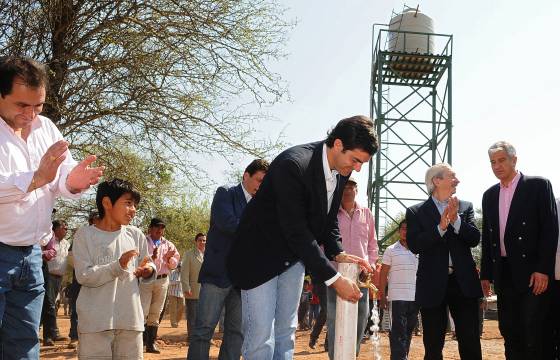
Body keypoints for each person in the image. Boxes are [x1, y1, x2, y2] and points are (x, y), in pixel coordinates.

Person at [227, 115, 378, 360]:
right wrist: (334, 278)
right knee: (261, 336)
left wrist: (336, 251)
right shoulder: (294, 165)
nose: (358, 168)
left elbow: (327, 220)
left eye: (362, 163)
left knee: (286, 331)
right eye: (356, 160)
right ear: (338, 145)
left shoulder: (340, 172)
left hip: (293, 259)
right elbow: (296, 229)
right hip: (259, 258)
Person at [0, 56, 103, 358]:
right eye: (22, 105)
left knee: (24, 346)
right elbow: (38, 179)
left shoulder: (46, 128)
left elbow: (60, 179)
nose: (31, 114)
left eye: (39, 105)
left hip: (32, 256)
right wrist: (35, 179)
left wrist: (74, 180)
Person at [480, 141, 558, 359]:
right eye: (493, 162)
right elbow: (489, 237)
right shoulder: (489, 195)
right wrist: (486, 274)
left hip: (533, 273)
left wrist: (543, 268)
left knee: (533, 330)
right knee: (509, 330)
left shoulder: (538, 186)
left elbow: (550, 230)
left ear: (514, 160)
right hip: (504, 273)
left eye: (502, 160)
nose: (497, 166)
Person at [187, 159, 269, 360]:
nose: (261, 186)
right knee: (203, 330)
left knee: (236, 333)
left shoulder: (263, 205)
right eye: (259, 180)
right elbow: (227, 223)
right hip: (218, 275)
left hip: (244, 280)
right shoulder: (225, 193)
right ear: (246, 175)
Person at [73, 178, 156, 359]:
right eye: (128, 203)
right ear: (107, 203)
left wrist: (148, 269)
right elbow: (84, 275)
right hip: (95, 324)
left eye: (134, 205)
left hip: (130, 320)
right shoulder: (85, 236)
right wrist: (117, 266)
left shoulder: (135, 235)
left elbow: (147, 262)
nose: (133, 210)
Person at [406, 163, 483, 360]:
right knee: (433, 344)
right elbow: (415, 245)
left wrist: (456, 219)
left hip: (463, 283)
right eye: (452, 176)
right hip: (432, 285)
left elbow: (474, 238)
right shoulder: (416, 212)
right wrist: (440, 227)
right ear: (436, 181)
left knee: (470, 340)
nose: (457, 180)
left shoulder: (465, 207)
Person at [326, 176, 378, 359]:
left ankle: (351, 355)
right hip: (336, 276)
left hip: (361, 278)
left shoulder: (367, 213)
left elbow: (373, 245)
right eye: (344, 186)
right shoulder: (330, 214)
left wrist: (370, 265)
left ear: (357, 190)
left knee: (360, 321)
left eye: (352, 186)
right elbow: (323, 244)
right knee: (335, 321)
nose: (348, 190)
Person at [378, 219, 419, 360]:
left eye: (409, 229)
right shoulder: (391, 250)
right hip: (396, 298)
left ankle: (402, 357)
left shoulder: (419, 251)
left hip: (415, 298)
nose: (406, 232)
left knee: (408, 332)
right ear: (399, 231)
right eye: (403, 229)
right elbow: (383, 273)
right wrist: (382, 295)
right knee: (398, 332)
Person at [140, 217, 180, 353]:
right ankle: (139, 343)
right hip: (146, 280)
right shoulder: (143, 241)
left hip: (163, 280)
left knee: (156, 311)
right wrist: (152, 256)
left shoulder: (168, 244)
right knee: (142, 310)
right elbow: (138, 259)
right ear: (150, 228)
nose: (159, 230)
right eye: (156, 227)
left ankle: (151, 343)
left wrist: (169, 259)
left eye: (162, 227)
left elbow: (175, 262)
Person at [42, 220, 71, 345]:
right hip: (48, 275)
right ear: (56, 229)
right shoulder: (48, 241)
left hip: (59, 278)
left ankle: (53, 333)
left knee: (53, 304)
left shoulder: (66, 243)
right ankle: (49, 335)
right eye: (64, 228)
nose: (66, 230)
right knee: (49, 305)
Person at [181, 232, 206, 338]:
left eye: (204, 240)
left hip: (207, 291)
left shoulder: (210, 254)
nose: (202, 242)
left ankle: (203, 338)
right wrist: (186, 287)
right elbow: (184, 273)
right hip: (193, 290)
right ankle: (191, 337)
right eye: (200, 240)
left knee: (205, 317)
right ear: (196, 242)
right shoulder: (189, 254)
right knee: (192, 316)